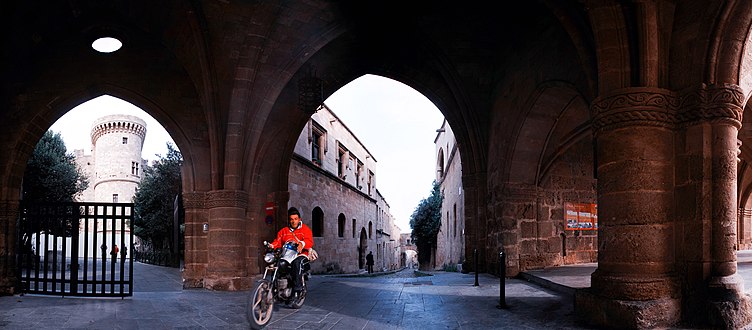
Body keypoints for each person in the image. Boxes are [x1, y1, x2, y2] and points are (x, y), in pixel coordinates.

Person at [266, 207, 313, 298]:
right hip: (287, 255)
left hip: (301, 254)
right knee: (278, 264)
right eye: (291, 219)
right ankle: (275, 287)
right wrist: (271, 245)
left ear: (299, 219)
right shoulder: (283, 231)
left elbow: (309, 241)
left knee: (297, 263)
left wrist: (302, 244)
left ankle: (297, 290)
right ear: (289, 220)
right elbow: (278, 242)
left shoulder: (305, 229)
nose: (293, 221)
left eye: (295, 219)